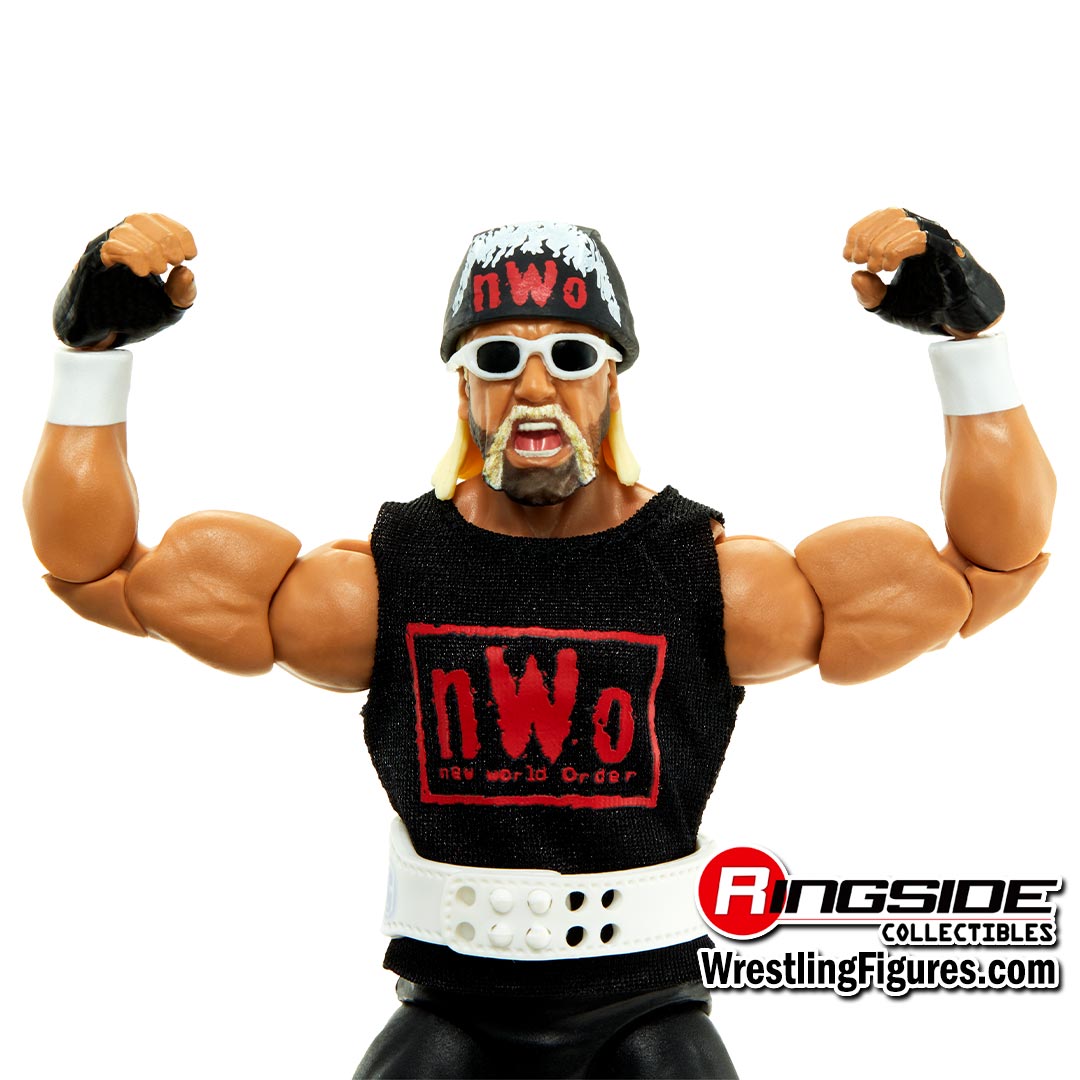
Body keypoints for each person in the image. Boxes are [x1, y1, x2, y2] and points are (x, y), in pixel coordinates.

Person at [25, 211, 1055, 1078]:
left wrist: (973, 346)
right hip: (450, 1008)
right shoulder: (379, 584)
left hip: (648, 1008)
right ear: (463, 388)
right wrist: (91, 364)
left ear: (612, 383)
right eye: (496, 358)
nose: (533, 389)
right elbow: (103, 574)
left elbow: (984, 571)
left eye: (569, 357)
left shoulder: (712, 580)